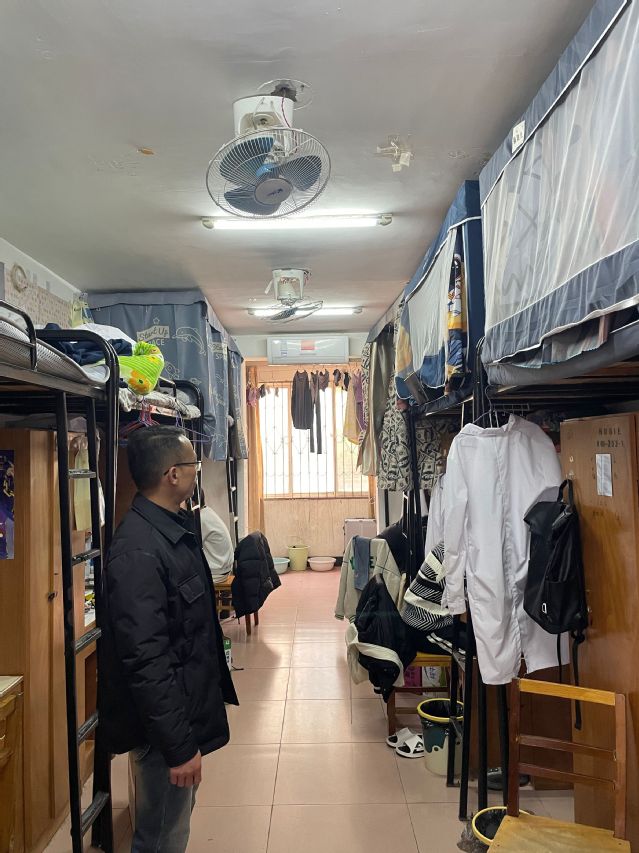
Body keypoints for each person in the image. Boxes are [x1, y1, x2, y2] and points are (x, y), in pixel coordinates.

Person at [99, 425, 238, 853]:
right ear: (172, 474)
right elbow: (147, 661)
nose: (198, 472)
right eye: (193, 464)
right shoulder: (139, 551)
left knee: (172, 826)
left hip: (178, 718)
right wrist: (178, 747)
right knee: (161, 837)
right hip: (162, 733)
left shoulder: (170, 529)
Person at [199, 490, 234, 584]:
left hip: (216, 574)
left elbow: (192, 547)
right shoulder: (207, 511)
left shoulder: (201, 518)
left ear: (192, 503)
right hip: (223, 569)